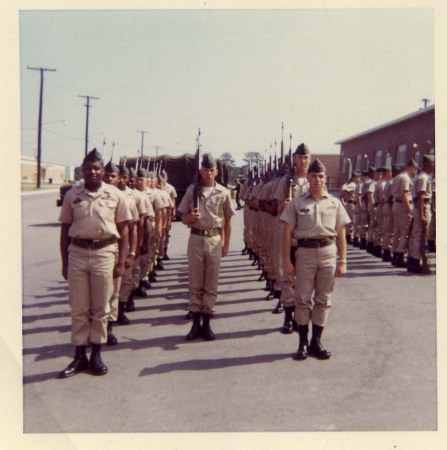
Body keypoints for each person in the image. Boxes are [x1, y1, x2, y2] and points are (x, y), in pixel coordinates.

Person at [58, 149, 131, 377]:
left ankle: (96, 354)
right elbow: (64, 231)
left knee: (101, 308)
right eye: (89, 168)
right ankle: (79, 356)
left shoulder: (115, 195)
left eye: (97, 168)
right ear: (83, 169)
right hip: (78, 254)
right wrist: (64, 262)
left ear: (102, 171)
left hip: (104, 253)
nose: (93, 172)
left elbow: (124, 230)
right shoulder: (72, 195)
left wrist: (121, 261)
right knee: (79, 308)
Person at [281, 158, 350, 361]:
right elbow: (286, 234)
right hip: (305, 253)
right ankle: (302, 342)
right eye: (313, 176)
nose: (318, 180)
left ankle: (316, 342)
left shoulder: (335, 203)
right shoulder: (297, 203)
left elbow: (341, 233)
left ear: (325, 178)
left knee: (323, 298)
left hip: (328, 252)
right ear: (308, 178)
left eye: (321, 176)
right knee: (302, 298)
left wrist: (343, 260)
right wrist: (286, 260)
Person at [177, 153, 235, 341]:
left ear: (216, 172)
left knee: (211, 283)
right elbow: (182, 217)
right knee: (195, 283)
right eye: (206, 169)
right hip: (196, 238)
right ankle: (195, 324)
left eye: (212, 170)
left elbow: (228, 220)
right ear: (200, 170)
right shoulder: (192, 190)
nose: (209, 173)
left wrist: (226, 243)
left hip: (214, 240)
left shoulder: (223, 192)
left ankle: (207, 323)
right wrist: (190, 218)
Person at [407, 155, 435, 273]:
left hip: (419, 208)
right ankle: (415, 262)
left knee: (416, 235)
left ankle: (412, 260)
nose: (434, 166)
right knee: (419, 236)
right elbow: (421, 197)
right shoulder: (424, 177)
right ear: (428, 164)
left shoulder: (419, 176)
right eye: (433, 164)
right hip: (422, 207)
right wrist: (423, 215)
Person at [391, 159, 418, 267]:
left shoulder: (398, 176)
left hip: (396, 204)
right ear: (411, 168)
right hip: (402, 205)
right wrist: (410, 210)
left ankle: (395, 254)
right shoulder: (406, 178)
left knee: (397, 231)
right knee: (405, 232)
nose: (414, 172)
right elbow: (404, 195)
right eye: (414, 170)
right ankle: (400, 255)